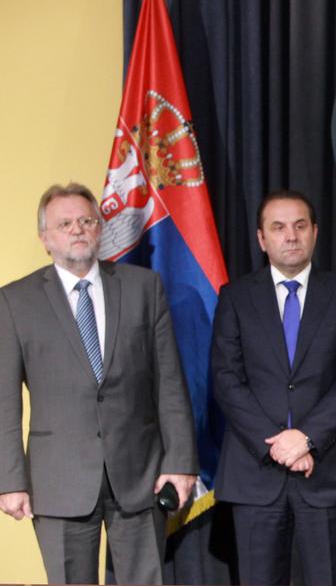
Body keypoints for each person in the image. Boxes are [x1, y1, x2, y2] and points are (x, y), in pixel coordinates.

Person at [0, 183, 198, 584]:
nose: (77, 229)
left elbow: (170, 384)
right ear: (44, 238)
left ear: (100, 228)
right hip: (59, 480)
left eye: (87, 220)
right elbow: (4, 401)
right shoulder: (14, 301)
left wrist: (179, 461)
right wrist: (10, 480)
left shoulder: (144, 287)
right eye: (65, 224)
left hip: (141, 475)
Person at [211, 190, 336, 586]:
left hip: (327, 473)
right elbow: (226, 379)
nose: (291, 236)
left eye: (300, 226)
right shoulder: (236, 297)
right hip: (255, 476)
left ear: (315, 232)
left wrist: (306, 438)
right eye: (278, 227)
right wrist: (277, 445)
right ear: (261, 238)